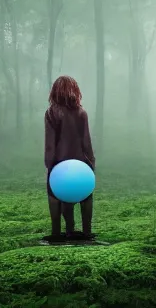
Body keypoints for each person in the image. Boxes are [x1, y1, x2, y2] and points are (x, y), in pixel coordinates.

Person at [44, 75, 96, 240]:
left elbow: (50, 144)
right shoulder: (82, 113)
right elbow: (86, 142)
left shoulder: (51, 112)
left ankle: (57, 232)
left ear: (55, 92)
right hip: (80, 163)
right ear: (75, 91)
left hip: (59, 163)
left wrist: (49, 163)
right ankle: (87, 232)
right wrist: (91, 164)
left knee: (55, 196)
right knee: (86, 195)